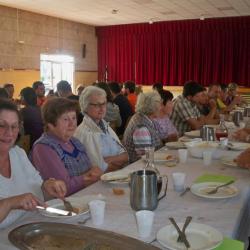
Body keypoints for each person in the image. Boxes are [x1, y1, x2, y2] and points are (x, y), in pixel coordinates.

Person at [0, 99, 66, 228]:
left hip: (32, 227)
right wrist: (10, 203)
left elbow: (39, 190)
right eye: (1, 125)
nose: (9, 132)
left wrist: (48, 187)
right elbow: (16, 201)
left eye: (14, 126)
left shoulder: (18, 154)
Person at [30, 98, 103, 196]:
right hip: (66, 205)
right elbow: (63, 188)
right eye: (65, 119)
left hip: (87, 196)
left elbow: (91, 170)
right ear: (50, 124)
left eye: (73, 118)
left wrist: (93, 172)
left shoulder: (74, 141)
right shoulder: (43, 147)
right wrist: (88, 176)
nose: (72, 124)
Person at [74, 86, 128, 172]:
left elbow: (125, 156)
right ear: (85, 106)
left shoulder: (104, 124)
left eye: (104, 103)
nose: (102, 108)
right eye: (97, 105)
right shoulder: (84, 133)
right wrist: (118, 162)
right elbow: (99, 168)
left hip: (116, 175)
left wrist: (111, 159)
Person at [123, 91, 163, 163]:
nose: (161, 108)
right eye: (160, 105)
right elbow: (145, 158)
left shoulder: (144, 118)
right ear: (153, 107)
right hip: (139, 167)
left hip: (150, 162)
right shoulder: (141, 127)